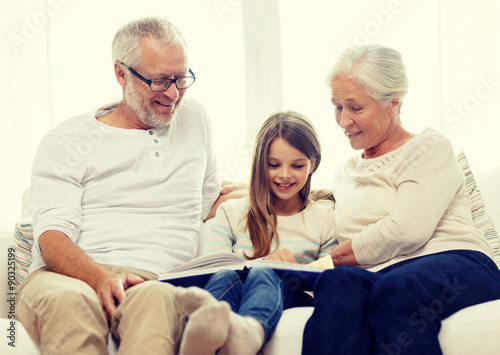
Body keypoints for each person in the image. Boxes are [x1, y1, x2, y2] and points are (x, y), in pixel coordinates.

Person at [16, 17, 241, 354]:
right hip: (66, 277)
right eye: (160, 81)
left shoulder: (195, 119)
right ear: (121, 73)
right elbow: (51, 237)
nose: (173, 93)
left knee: (159, 301)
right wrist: (99, 279)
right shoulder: (67, 140)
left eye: (181, 78)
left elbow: (207, 201)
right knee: (72, 306)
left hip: (152, 280)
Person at [301, 44, 500, 355]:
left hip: (457, 261)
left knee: (397, 291)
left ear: (391, 103)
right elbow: (313, 208)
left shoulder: (428, 147)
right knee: (336, 287)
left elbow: (408, 229)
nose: (342, 121)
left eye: (355, 108)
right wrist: (251, 192)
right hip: (380, 274)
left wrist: (338, 257)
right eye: (337, 106)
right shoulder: (345, 173)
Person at [174, 111, 338, 355]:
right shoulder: (232, 211)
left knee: (263, 273)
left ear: (313, 164)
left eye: (297, 165)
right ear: (261, 163)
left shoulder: (325, 217)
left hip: (292, 295)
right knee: (223, 278)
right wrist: (266, 261)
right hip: (234, 288)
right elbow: (211, 269)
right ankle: (202, 334)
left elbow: (327, 282)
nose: (284, 174)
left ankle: (248, 333)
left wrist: (281, 270)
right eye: (273, 165)